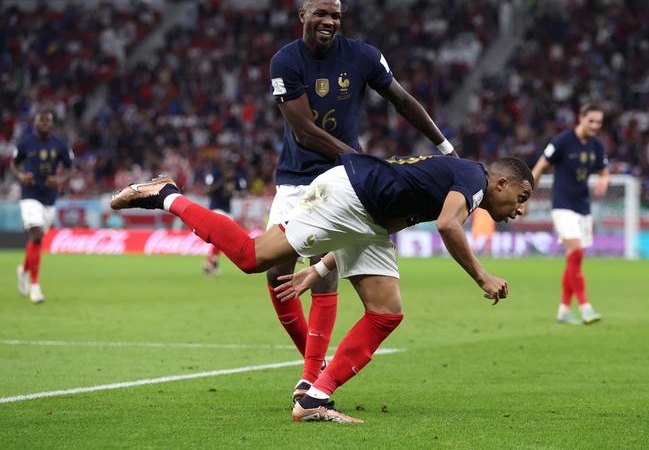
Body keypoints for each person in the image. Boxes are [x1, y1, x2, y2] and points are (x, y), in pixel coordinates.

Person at [110, 153, 534, 423]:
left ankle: (315, 398)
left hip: (366, 217)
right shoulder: (473, 179)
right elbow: (446, 225)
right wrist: (482, 276)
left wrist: (322, 266)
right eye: (521, 197)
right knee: (250, 257)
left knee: (386, 311)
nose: (521, 209)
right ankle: (165, 194)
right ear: (501, 183)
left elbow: (393, 222)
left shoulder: (453, 181)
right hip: (348, 196)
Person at [266, 0, 457, 402]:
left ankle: (309, 376)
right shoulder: (285, 61)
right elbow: (304, 130)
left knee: (324, 270)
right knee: (275, 273)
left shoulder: (364, 56)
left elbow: (403, 101)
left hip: (342, 184)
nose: (329, 22)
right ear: (302, 16)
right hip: (297, 180)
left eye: (335, 15)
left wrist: (443, 146)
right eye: (320, 14)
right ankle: (313, 366)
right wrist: (362, 159)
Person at [530, 103, 609, 325]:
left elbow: (605, 172)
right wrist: (526, 196)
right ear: (580, 117)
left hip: (583, 207)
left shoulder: (597, 145)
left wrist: (604, 180)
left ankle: (563, 310)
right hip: (562, 204)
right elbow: (539, 167)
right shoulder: (563, 140)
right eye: (591, 120)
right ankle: (585, 307)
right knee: (576, 252)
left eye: (599, 122)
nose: (595, 125)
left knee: (573, 259)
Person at [11, 111, 75, 303]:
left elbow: (71, 167)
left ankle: (23, 270)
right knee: (36, 234)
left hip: (49, 198)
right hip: (29, 195)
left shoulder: (60, 145)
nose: (45, 124)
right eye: (42, 120)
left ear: (52, 124)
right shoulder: (24, 143)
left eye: (49, 121)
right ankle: (35, 287)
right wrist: (21, 176)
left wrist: (60, 179)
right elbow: (14, 164)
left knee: (37, 239)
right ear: (35, 122)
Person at [201, 162, 243, 276]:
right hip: (216, 209)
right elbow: (207, 191)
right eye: (229, 171)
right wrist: (222, 182)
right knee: (221, 237)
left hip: (227, 211)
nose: (231, 173)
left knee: (223, 239)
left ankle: (213, 261)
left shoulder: (233, 180)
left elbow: (239, 194)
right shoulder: (215, 176)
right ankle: (211, 261)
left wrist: (231, 191)